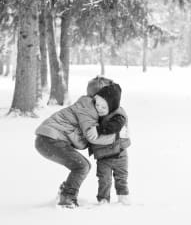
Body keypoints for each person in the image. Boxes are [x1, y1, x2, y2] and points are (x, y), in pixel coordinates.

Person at [34, 77, 115, 208]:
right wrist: (115, 137)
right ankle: (67, 199)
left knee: (82, 165)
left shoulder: (88, 105)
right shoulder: (88, 107)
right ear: (98, 96)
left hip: (48, 139)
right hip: (50, 139)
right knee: (82, 166)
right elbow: (91, 135)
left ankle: (65, 192)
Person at [87, 83, 131, 205]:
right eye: (97, 104)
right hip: (103, 157)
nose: (99, 108)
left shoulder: (118, 115)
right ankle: (103, 199)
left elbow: (114, 126)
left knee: (121, 177)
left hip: (120, 154)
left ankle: (123, 196)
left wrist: (99, 129)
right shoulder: (95, 115)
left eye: (103, 107)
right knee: (104, 179)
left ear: (111, 106)